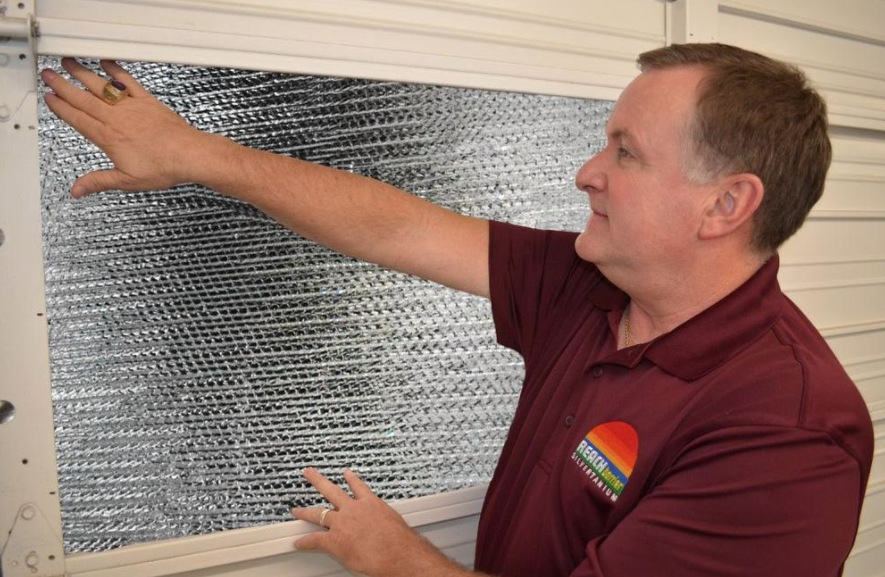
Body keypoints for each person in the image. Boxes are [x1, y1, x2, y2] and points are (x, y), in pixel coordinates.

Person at [40, 42, 873, 576]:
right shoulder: (590, 285)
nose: (588, 170)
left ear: (725, 204)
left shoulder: (787, 432)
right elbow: (400, 228)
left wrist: (399, 559)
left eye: (626, 152)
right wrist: (195, 153)